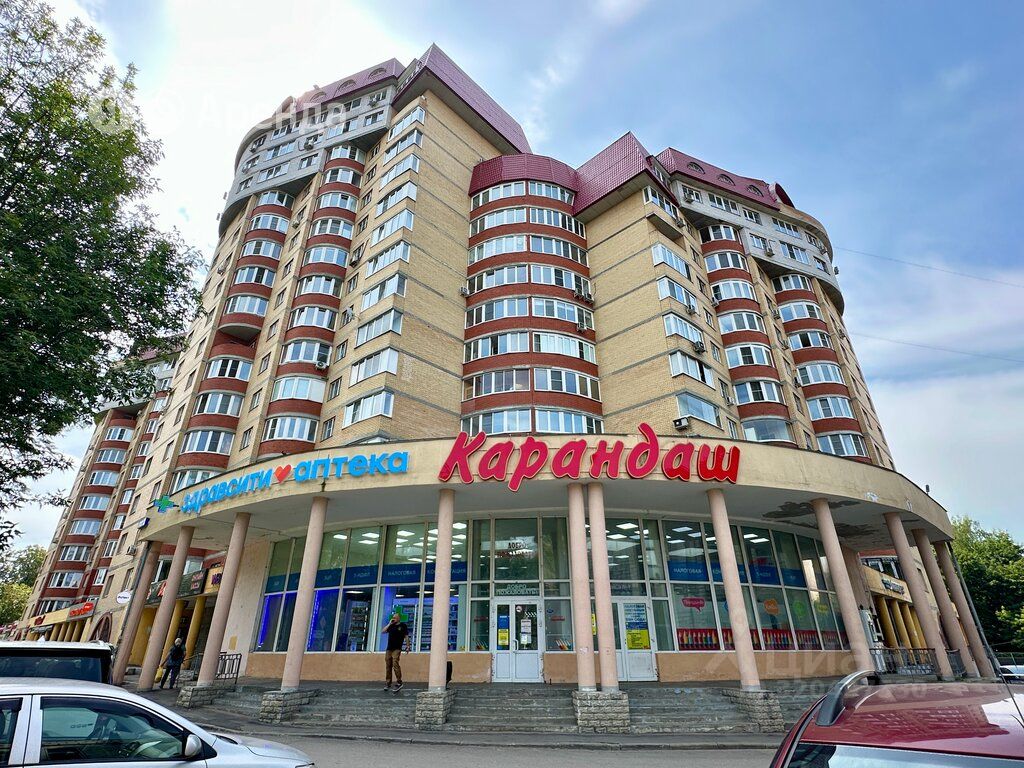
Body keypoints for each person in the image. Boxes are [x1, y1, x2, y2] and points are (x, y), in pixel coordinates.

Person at [381, 612, 408, 692]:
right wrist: (389, 623)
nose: (394, 619)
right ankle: (388, 683)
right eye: (393, 617)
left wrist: (408, 646)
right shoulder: (391, 625)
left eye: (395, 617)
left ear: (399, 618)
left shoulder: (403, 626)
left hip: (397, 648)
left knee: (395, 663)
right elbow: (383, 631)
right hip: (389, 648)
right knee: (388, 665)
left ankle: (399, 682)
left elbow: (406, 636)